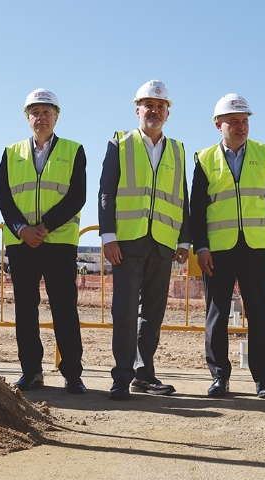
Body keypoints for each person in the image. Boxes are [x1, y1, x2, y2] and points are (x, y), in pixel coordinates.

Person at [98, 80, 190, 400]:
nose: (154, 110)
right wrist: (108, 236)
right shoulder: (120, 143)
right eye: (148, 104)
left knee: (153, 311)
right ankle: (121, 376)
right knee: (123, 310)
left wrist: (184, 240)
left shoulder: (177, 150)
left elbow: (182, 196)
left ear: (168, 113)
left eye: (160, 105)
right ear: (137, 109)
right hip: (127, 241)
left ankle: (143, 373)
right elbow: (106, 192)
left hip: (163, 241)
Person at [191, 94, 265, 399]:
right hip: (218, 250)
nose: (240, 126)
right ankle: (220, 377)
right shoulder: (204, 159)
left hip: (257, 248)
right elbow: (197, 208)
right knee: (217, 313)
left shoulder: (264, 154)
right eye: (233, 121)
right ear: (219, 125)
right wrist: (201, 247)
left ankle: (263, 379)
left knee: (260, 313)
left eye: (244, 121)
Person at [0, 89, 87, 394]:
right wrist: (22, 229)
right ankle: (31, 371)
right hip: (22, 244)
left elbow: (77, 196)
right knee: (25, 307)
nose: (41, 117)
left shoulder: (74, 151)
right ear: (27, 117)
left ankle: (72, 373)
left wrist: (44, 227)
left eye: (47, 111)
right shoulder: (11, 153)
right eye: (35, 112)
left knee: (64, 306)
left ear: (56, 116)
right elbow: (4, 198)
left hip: (58, 242)